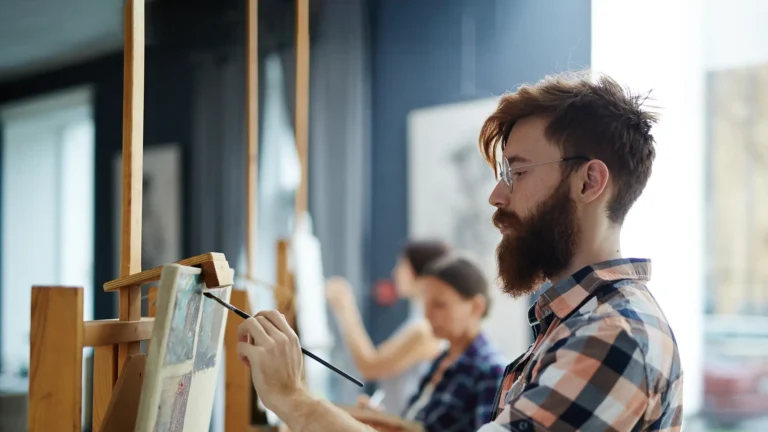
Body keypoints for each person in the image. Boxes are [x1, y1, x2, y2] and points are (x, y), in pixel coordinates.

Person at [235, 70, 683, 431]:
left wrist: (293, 399)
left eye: (518, 173)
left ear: (589, 182)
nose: (496, 196)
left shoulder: (614, 335)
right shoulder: (578, 323)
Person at [325, 240, 448, 415]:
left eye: (401, 265)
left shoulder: (424, 329)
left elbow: (370, 366)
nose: (394, 272)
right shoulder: (417, 321)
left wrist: (345, 308)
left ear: (421, 274)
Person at [400, 253, 505, 431]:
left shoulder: (490, 371)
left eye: (439, 305)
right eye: (425, 304)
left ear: (476, 306)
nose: (427, 314)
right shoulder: (442, 359)